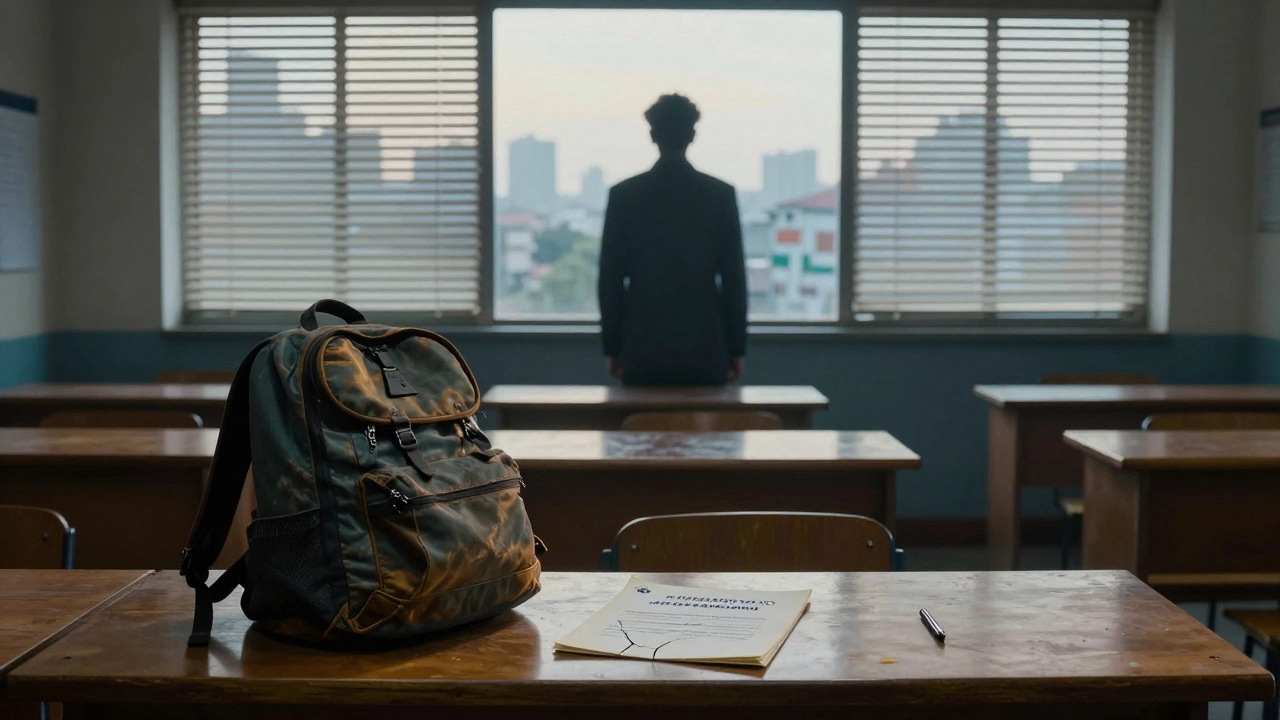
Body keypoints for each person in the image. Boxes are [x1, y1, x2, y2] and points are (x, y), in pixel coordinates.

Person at [597, 94, 748, 386]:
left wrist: (613, 347)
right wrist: (736, 349)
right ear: (693, 134)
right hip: (706, 346)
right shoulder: (719, 195)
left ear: (652, 134)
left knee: (638, 430)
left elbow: (610, 281)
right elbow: (734, 280)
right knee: (709, 431)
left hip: (641, 347)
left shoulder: (625, 195)